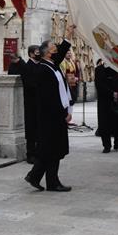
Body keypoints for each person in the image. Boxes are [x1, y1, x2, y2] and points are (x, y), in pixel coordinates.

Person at [24, 35, 73, 192]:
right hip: (50, 117)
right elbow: (50, 98)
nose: (56, 49)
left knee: (52, 150)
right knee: (52, 150)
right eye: (53, 47)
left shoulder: (52, 64)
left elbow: (62, 51)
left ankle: (36, 176)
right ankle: (51, 182)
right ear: (46, 53)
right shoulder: (43, 70)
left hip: (56, 115)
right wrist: (63, 113)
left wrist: (68, 35)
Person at [8, 45, 42, 163]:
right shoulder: (27, 66)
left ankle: (39, 152)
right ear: (31, 54)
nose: (39, 54)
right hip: (31, 101)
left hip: (40, 101)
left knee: (39, 128)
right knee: (31, 128)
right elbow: (29, 84)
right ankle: (31, 153)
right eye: (37, 52)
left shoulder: (41, 65)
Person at [93, 58, 118, 153]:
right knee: (104, 123)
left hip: (117, 99)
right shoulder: (99, 69)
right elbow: (99, 85)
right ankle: (106, 145)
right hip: (104, 100)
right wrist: (112, 93)